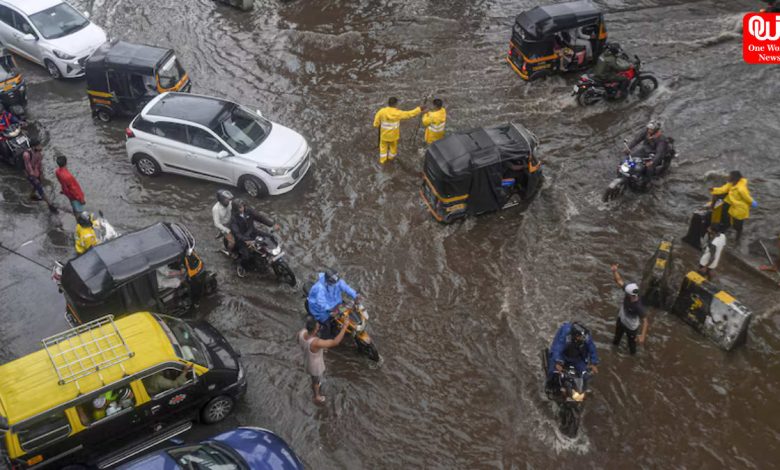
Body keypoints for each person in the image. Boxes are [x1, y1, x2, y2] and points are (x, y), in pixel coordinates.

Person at [298, 315, 349, 404]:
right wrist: (344, 327)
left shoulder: (302, 333)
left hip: (307, 360)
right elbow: (335, 342)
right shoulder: (316, 343)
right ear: (314, 330)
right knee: (316, 381)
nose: (319, 327)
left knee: (314, 378)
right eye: (317, 327)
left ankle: (316, 385)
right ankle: (317, 396)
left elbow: (298, 340)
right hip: (315, 367)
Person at [546, 322, 599, 394]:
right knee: (554, 371)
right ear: (575, 335)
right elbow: (558, 349)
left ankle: (582, 390)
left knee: (585, 374)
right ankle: (550, 387)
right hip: (563, 356)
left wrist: (594, 363)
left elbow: (592, 348)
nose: (583, 339)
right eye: (580, 337)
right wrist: (558, 362)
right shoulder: (565, 335)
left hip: (577, 358)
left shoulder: (586, 336)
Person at [229, 198, 277, 275]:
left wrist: (272, 224)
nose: (242, 208)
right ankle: (239, 264)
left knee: (270, 237)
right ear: (235, 209)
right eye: (239, 207)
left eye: (242, 206)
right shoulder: (233, 219)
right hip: (242, 239)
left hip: (253, 232)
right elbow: (236, 233)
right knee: (246, 256)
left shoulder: (249, 211)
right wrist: (246, 240)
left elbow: (260, 217)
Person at [306, 269, 359, 339]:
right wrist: (332, 310)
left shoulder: (337, 280)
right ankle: (325, 342)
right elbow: (323, 304)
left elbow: (346, 288)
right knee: (327, 326)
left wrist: (356, 295)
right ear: (328, 280)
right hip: (321, 310)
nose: (337, 283)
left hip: (336, 303)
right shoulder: (319, 288)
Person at [610, 264, 650, 355]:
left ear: (630, 294)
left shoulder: (638, 307)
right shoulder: (630, 292)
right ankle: (614, 351)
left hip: (631, 327)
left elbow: (645, 321)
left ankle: (632, 358)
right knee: (616, 339)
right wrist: (614, 271)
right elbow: (619, 281)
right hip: (621, 320)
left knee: (632, 346)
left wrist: (643, 336)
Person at [372, 97, 422, 164]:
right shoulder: (398, 113)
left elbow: (375, 124)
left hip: (384, 136)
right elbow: (409, 114)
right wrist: (419, 109)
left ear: (388, 103)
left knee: (383, 148)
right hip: (394, 136)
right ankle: (391, 158)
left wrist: (378, 124)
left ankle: (383, 161)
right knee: (393, 148)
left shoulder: (381, 111)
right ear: (396, 104)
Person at [710, 171, 755, 242]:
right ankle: (723, 228)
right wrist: (714, 189)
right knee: (725, 213)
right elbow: (723, 189)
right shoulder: (731, 184)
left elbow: (747, 197)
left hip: (739, 208)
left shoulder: (741, 189)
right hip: (731, 201)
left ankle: (738, 236)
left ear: (735, 178)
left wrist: (752, 202)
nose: (728, 177)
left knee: (737, 224)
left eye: (730, 176)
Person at [23, 138, 57, 213]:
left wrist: (41, 173)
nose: (41, 147)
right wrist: (33, 177)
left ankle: (30, 197)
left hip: (37, 172)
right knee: (40, 188)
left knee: (37, 186)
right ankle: (50, 205)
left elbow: (39, 164)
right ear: (34, 147)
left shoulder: (39, 153)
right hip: (30, 174)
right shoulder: (26, 154)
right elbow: (28, 166)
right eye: (39, 145)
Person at [212, 189, 236, 255]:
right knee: (232, 242)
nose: (229, 201)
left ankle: (221, 234)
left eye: (229, 199)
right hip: (223, 225)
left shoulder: (230, 203)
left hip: (231, 221)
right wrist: (226, 230)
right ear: (221, 200)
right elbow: (216, 223)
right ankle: (228, 251)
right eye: (226, 199)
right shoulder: (216, 209)